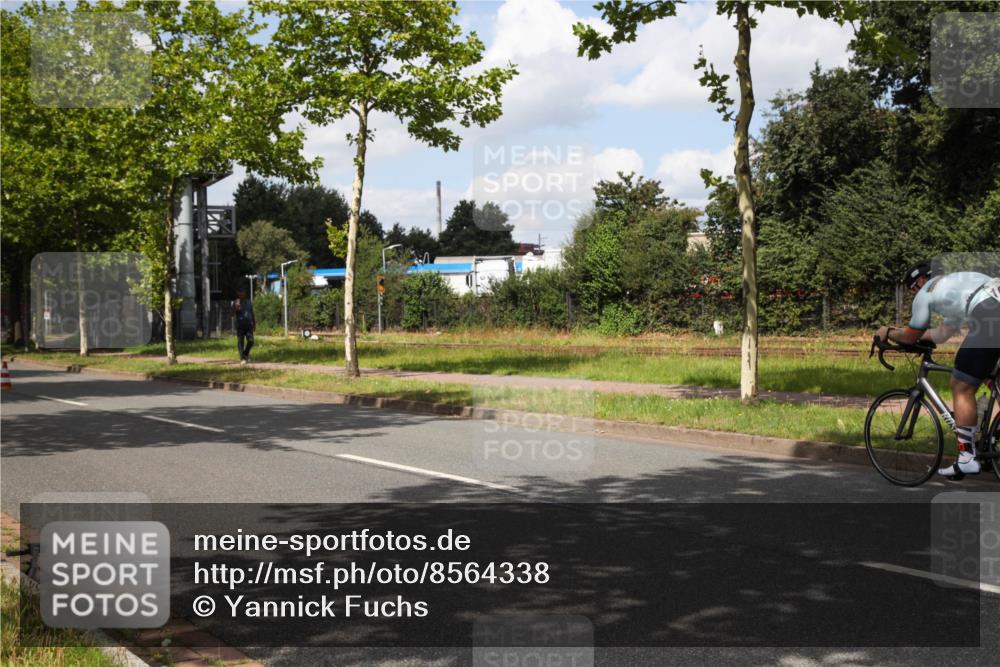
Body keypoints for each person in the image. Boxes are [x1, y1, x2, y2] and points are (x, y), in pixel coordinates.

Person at [876, 261, 1000, 479]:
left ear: (921, 280)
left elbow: (910, 336)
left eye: (912, 288)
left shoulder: (926, 292)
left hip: (990, 315)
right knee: (987, 373)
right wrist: (917, 336)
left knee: (961, 385)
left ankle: (966, 458)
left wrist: (889, 332)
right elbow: (942, 334)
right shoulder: (956, 287)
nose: (914, 294)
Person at [234, 288, 255, 365]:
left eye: (243, 292)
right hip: (240, 325)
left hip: (249, 325)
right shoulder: (236, 302)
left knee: (251, 341)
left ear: (245, 293)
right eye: (240, 292)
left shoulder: (249, 302)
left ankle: (245, 353)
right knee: (240, 341)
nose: (242, 294)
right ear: (238, 293)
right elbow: (231, 314)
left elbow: (252, 313)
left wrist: (254, 323)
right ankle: (242, 358)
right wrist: (236, 308)